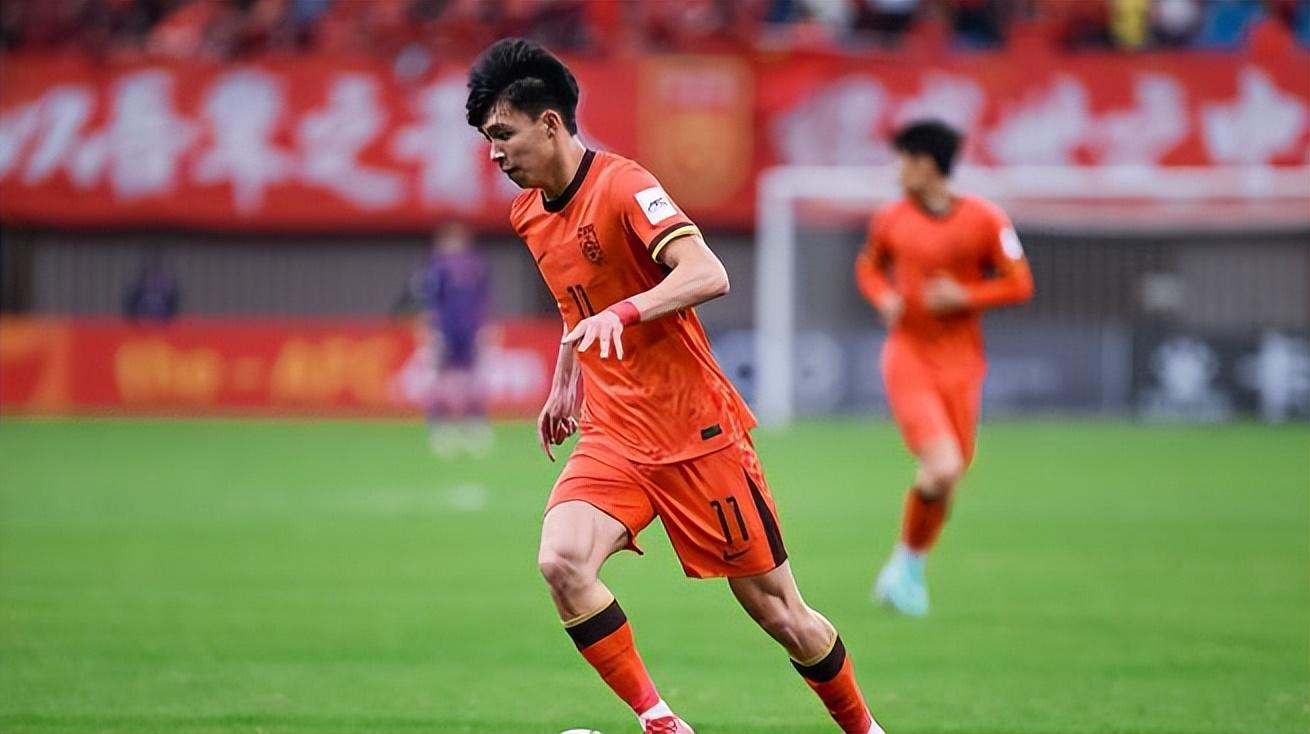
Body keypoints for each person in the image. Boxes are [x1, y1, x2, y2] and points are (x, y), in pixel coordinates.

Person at [466, 38, 887, 734]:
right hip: (614, 435)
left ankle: (866, 729)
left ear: (551, 124)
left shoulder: (625, 186)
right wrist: (566, 378)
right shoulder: (529, 214)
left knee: (780, 612)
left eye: (503, 134)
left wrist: (625, 312)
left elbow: (708, 273)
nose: (494, 154)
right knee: (562, 562)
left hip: (697, 434)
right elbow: (576, 301)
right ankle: (661, 722)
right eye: (487, 139)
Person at [855, 120, 1034, 617]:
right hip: (908, 356)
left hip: (961, 363)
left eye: (905, 159)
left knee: (946, 479)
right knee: (942, 467)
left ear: (928, 163)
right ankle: (905, 569)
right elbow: (868, 267)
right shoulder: (890, 220)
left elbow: (1020, 283)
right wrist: (883, 296)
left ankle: (906, 567)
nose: (899, 170)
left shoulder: (985, 220)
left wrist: (966, 296)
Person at [414, 222, 492, 456]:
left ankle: (475, 423)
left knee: (473, 378)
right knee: (440, 378)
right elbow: (430, 302)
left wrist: (486, 327)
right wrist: (429, 329)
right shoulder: (436, 268)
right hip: (444, 329)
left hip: (470, 330)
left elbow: (483, 300)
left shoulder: (476, 266)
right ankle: (439, 425)